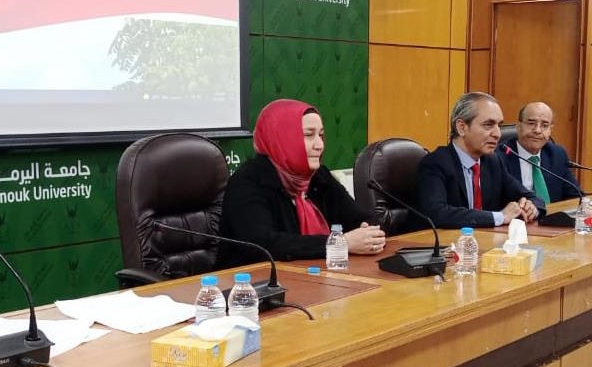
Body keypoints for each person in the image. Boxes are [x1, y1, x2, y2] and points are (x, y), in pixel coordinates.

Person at [218, 98, 386, 267]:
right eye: (308, 135)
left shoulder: (319, 176)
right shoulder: (249, 181)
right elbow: (264, 245)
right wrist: (341, 242)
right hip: (253, 279)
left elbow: (360, 218)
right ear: (282, 138)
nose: (319, 145)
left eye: (321, 135)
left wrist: (368, 231)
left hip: (316, 274)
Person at [416, 92, 546, 229]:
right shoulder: (435, 163)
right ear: (461, 127)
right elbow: (437, 213)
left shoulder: (492, 162)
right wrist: (500, 217)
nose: (497, 134)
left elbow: (531, 197)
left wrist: (531, 207)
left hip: (485, 239)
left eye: (499, 125)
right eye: (488, 125)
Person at [497, 101, 580, 202]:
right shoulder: (499, 156)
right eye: (531, 123)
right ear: (518, 126)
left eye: (544, 125)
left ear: (550, 130)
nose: (537, 130)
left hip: (553, 212)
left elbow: (576, 196)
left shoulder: (557, 154)